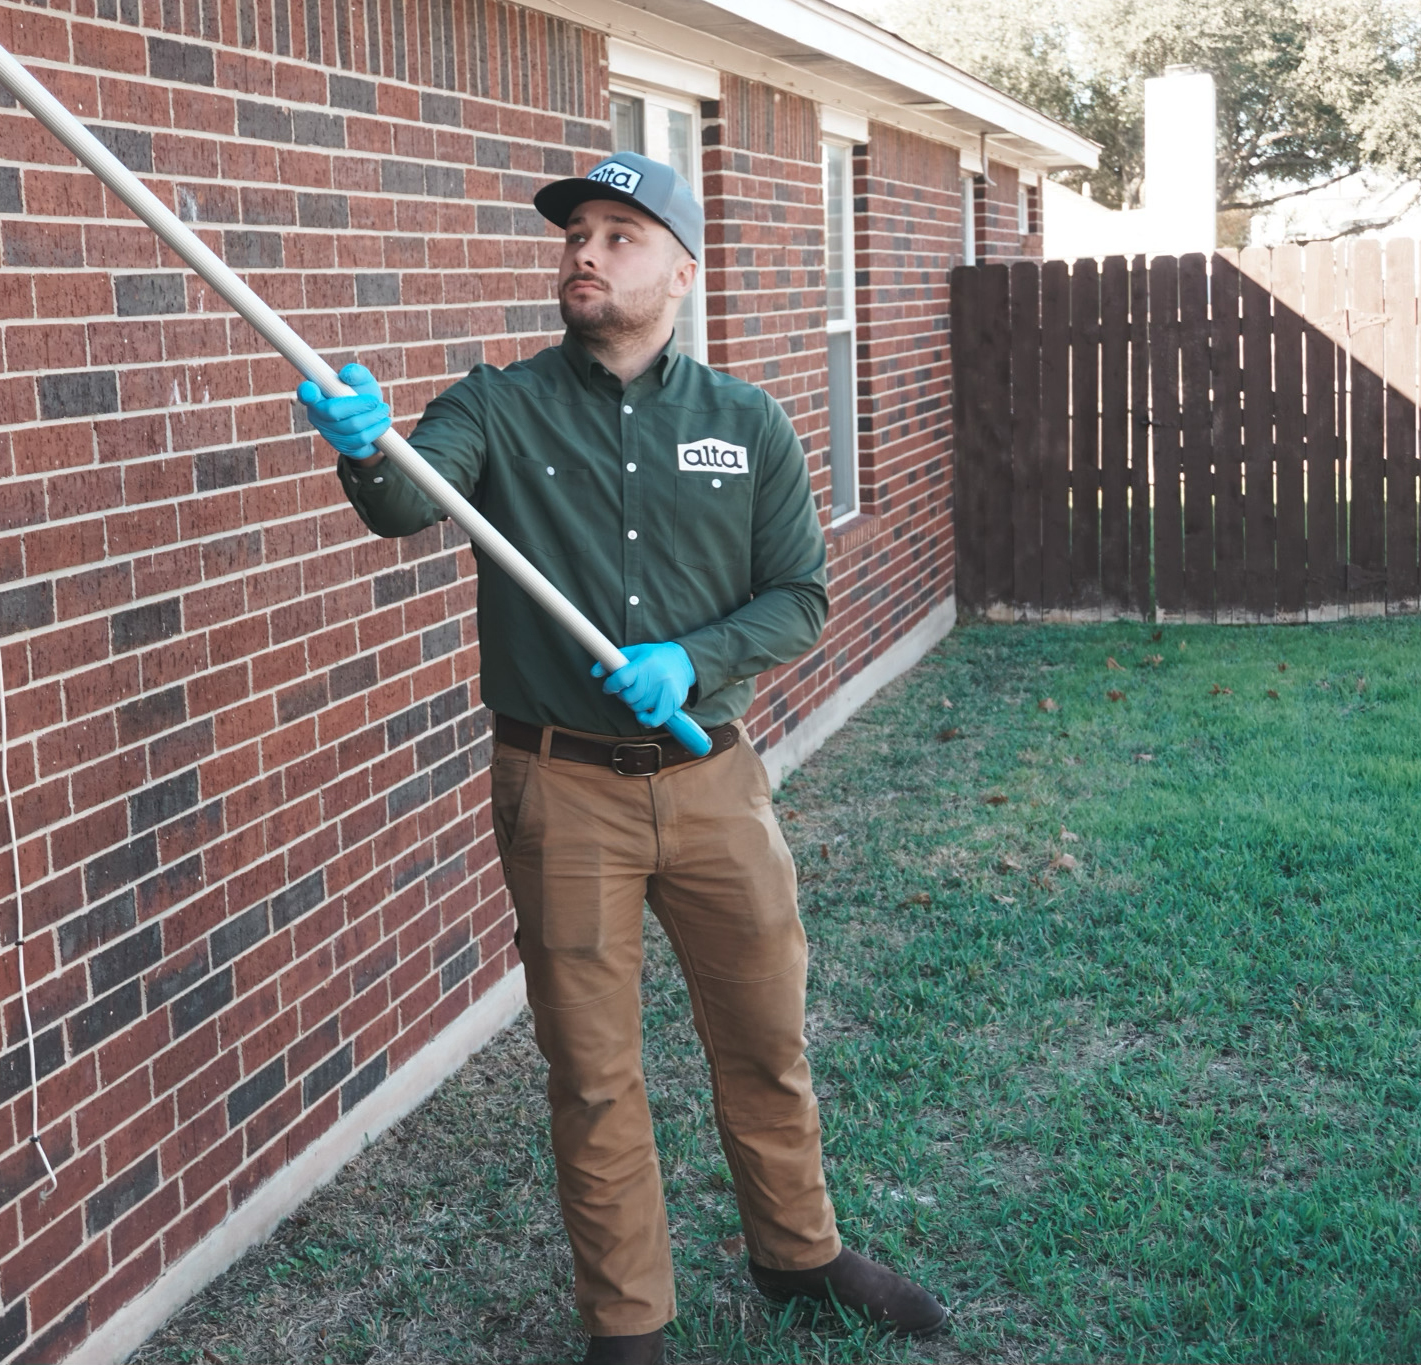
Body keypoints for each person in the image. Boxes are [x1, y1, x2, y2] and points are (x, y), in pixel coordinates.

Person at [296, 151, 947, 1364]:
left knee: (762, 1036)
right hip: (561, 790)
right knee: (593, 1072)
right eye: (575, 234)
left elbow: (798, 597)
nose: (585, 253)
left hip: (714, 784)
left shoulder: (745, 422)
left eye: (618, 234)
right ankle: (628, 1325)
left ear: (680, 272)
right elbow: (402, 503)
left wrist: (689, 660)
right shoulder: (495, 406)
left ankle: (797, 1255)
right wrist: (366, 446)